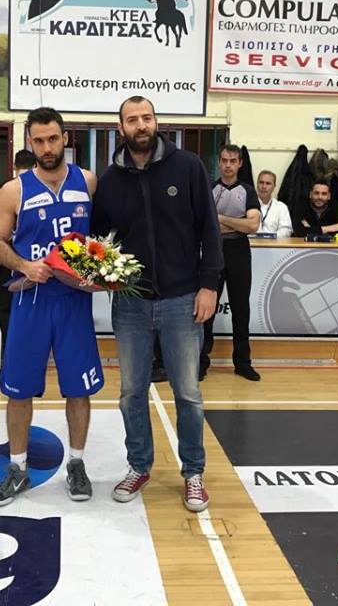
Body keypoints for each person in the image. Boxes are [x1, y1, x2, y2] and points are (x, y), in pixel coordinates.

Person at [91, 95, 222, 513]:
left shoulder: (188, 167)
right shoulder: (111, 180)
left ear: (156, 122)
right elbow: (99, 239)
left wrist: (209, 286)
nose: (141, 125)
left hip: (183, 299)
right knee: (131, 393)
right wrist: (104, 274)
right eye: (132, 120)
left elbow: (210, 230)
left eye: (146, 117)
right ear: (121, 129)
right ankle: (139, 466)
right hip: (131, 303)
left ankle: (193, 473)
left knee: (188, 393)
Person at [0, 108, 103, 507]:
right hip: (31, 301)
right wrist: (24, 265)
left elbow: (100, 238)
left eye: (53, 139)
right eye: (38, 141)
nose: (47, 147)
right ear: (29, 143)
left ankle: (77, 464)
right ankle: (17, 468)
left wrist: (101, 269)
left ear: (65, 138)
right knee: (19, 390)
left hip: (73, 302)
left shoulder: (88, 181)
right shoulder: (13, 190)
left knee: (78, 389)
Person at [201, 145, 261, 382]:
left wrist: (220, 219)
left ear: (240, 163)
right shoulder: (209, 189)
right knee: (207, 308)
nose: (228, 165)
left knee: (240, 308)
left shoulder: (248, 191)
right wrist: (238, 222)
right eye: (224, 160)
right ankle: (201, 362)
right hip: (213, 251)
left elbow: (253, 225)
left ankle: (243, 363)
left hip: (239, 251)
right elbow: (204, 225)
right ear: (219, 161)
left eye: (232, 161)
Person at [0, 148, 36, 381]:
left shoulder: (8, 188)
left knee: (6, 311)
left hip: (11, 255)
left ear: (14, 167)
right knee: (33, 311)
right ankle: (30, 362)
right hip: (35, 256)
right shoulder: (38, 186)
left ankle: (9, 363)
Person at [255, 170, 293, 237]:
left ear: (274, 186)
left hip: (274, 242)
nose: (264, 186)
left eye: (268, 183)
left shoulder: (281, 207)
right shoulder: (248, 204)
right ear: (257, 184)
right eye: (261, 182)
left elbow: (286, 229)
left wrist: (271, 237)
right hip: (252, 242)